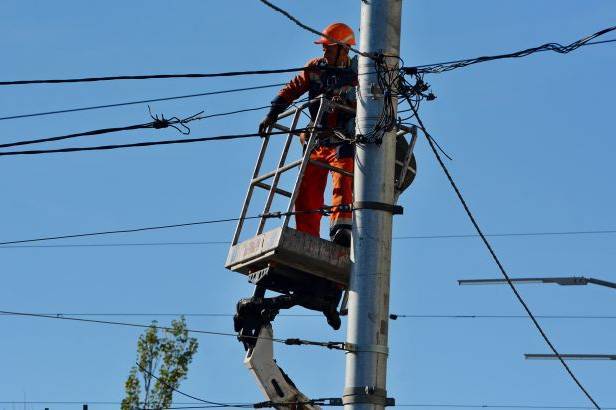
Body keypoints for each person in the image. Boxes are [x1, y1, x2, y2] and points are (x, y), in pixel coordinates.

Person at [258, 22, 358, 247]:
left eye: (329, 47)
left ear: (344, 49)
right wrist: (272, 114)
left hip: (344, 139)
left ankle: (341, 229)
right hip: (318, 139)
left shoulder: (359, 75)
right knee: (306, 190)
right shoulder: (315, 68)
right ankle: (307, 236)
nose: (324, 50)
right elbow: (292, 88)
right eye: (323, 46)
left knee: (342, 179)